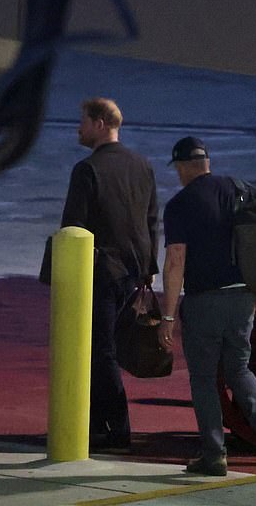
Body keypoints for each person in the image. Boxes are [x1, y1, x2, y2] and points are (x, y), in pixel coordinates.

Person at [158, 136, 256, 476]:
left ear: (183, 167)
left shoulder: (179, 205)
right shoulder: (238, 189)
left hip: (204, 301)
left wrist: (167, 315)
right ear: (207, 163)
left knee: (203, 379)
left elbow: (175, 262)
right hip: (244, 296)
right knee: (239, 369)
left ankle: (214, 455)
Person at [60, 97, 159, 451]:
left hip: (100, 271)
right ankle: (96, 422)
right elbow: (151, 222)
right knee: (107, 349)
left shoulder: (86, 170)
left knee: (97, 350)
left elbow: (73, 228)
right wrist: (148, 271)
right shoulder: (143, 166)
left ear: (100, 124)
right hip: (133, 273)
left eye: (83, 121)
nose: (79, 127)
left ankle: (116, 427)